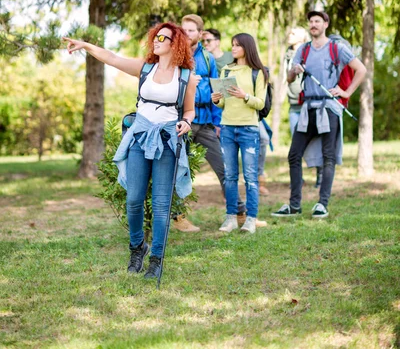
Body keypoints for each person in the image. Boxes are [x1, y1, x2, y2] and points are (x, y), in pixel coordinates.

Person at [63, 22, 196, 278]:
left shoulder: (185, 76)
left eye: (162, 37)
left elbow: (189, 109)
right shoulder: (145, 67)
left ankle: (156, 259)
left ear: (174, 43)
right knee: (134, 199)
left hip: (167, 141)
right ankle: (138, 248)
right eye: (154, 37)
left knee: (160, 204)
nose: (155, 41)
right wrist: (85, 46)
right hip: (139, 136)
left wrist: (186, 122)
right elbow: (112, 58)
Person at [272, 11, 366, 219]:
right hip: (307, 108)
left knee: (328, 158)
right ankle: (294, 205)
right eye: (311, 21)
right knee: (294, 155)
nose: (313, 24)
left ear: (325, 24)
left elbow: (361, 70)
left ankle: (322, 204)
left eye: (317, 21)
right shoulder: (303, 50)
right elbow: (288, 79)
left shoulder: (336, 48)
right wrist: (293, 71)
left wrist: (346, 92)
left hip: (329, 109)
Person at [179, 14, 247, 230]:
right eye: (184, 29)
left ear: (201, 34)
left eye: (191, 30)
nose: (186, 33)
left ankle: (240, 214)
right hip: (183, 122)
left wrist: (218, 122)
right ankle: (177, 217)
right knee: (179, 170)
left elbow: (218, 91)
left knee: (225, 168)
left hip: (207, 122)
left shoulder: (207, 58)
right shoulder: (174, 56)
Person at [212, 33, 268, 234]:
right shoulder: (226, 70)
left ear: (247, 47)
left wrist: (244, 96)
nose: (233, 49)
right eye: (232, 45)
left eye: (237, 45)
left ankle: (251, 219)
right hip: (227, 128)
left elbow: (260, 103)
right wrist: (216, 99)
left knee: (251, 177)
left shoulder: (258, 72)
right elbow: (223, 103)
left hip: (249, 129)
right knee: (230, 176)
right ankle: (231, 219)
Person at [284, 26, 322, 188]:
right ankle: (298, 179)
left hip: (309, 103)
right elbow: (286, 77)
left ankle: (320, 175)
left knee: (315, 140)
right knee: (296, 144)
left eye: (293, 33)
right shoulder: (287, 55)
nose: (290, 35)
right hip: (293, 104)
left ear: (302, 37)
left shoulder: (309, 52)